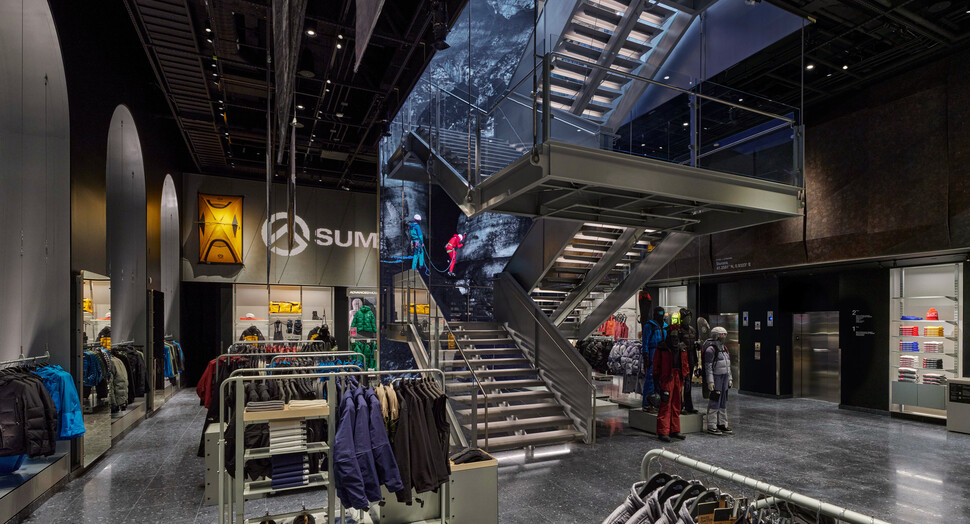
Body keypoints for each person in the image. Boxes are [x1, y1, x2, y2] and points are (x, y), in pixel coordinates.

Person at [653, 320, 689, 442]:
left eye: (676, 334)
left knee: (677, 403)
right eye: (672, 334)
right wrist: (656, 379)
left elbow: (685, 363)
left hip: (678, 376)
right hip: (667, 377)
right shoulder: (662, 347)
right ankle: (663, 431)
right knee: (665, 403)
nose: (674, 337)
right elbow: (656, 364)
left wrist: (686, 376)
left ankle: (675, 429)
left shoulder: (682, 347)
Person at [703, 326, 733, 435]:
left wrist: (730, 378)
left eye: (725, 334)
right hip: (716, 378)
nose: (723, 336)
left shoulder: (724, 348)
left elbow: (728, 365)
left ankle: (722, 423)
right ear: (716, 335)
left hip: (724, 377)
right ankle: (712, 425)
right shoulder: (711, 350)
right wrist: (710, 381)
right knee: (714, 401)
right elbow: (708, 367)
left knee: (723, 402)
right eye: (721, 334)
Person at [641, 306, 666, 413]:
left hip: (663, 353)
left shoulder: (665, 326)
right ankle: (647, 403)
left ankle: (658, 402)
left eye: (662, 314)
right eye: (659, 314)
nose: (660, 316)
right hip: (653, 352)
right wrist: (646, 355)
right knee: (650, 379)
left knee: (662, 379)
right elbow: (645, 342)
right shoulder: (649, 326)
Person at [679, 308, 699, 415]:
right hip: (681, 360)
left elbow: (694, 347)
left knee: (688, 384)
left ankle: (689, 406)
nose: (689, 319)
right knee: (680, 384)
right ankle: (679, 406)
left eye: (690, 317)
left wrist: (696, 360)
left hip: (690, 359)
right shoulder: (678, 330)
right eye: (687, 317)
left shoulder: (692, 330)